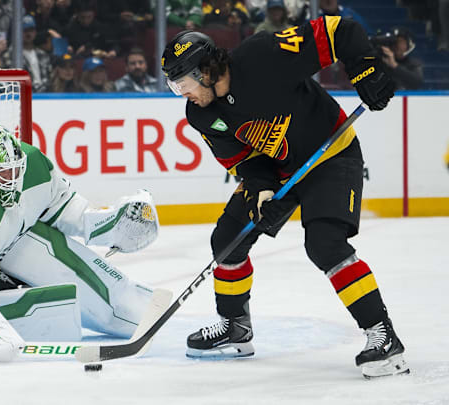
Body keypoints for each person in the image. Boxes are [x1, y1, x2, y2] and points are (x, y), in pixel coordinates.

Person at [160, 16, 408, 378]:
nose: (182, 93)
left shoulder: (263, 56)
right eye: (174, 86)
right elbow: (244, 160)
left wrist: (364, 71)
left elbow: (340, 32)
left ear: (206, 70)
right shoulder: (201, 114)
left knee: (325, 243)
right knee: (228, 239)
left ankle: (383, 336)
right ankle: (236, 327)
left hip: (332, 154)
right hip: (280, 170)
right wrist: (261, 189)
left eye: (182, 83)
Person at [0, 124, 162, 362]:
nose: (13, 180)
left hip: (0, 243)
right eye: (3, 174)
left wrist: (107, 225)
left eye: (16, 170)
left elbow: (62, 207)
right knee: (26, 296)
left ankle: (130, 308)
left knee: (55, 251)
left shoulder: (34, 163)